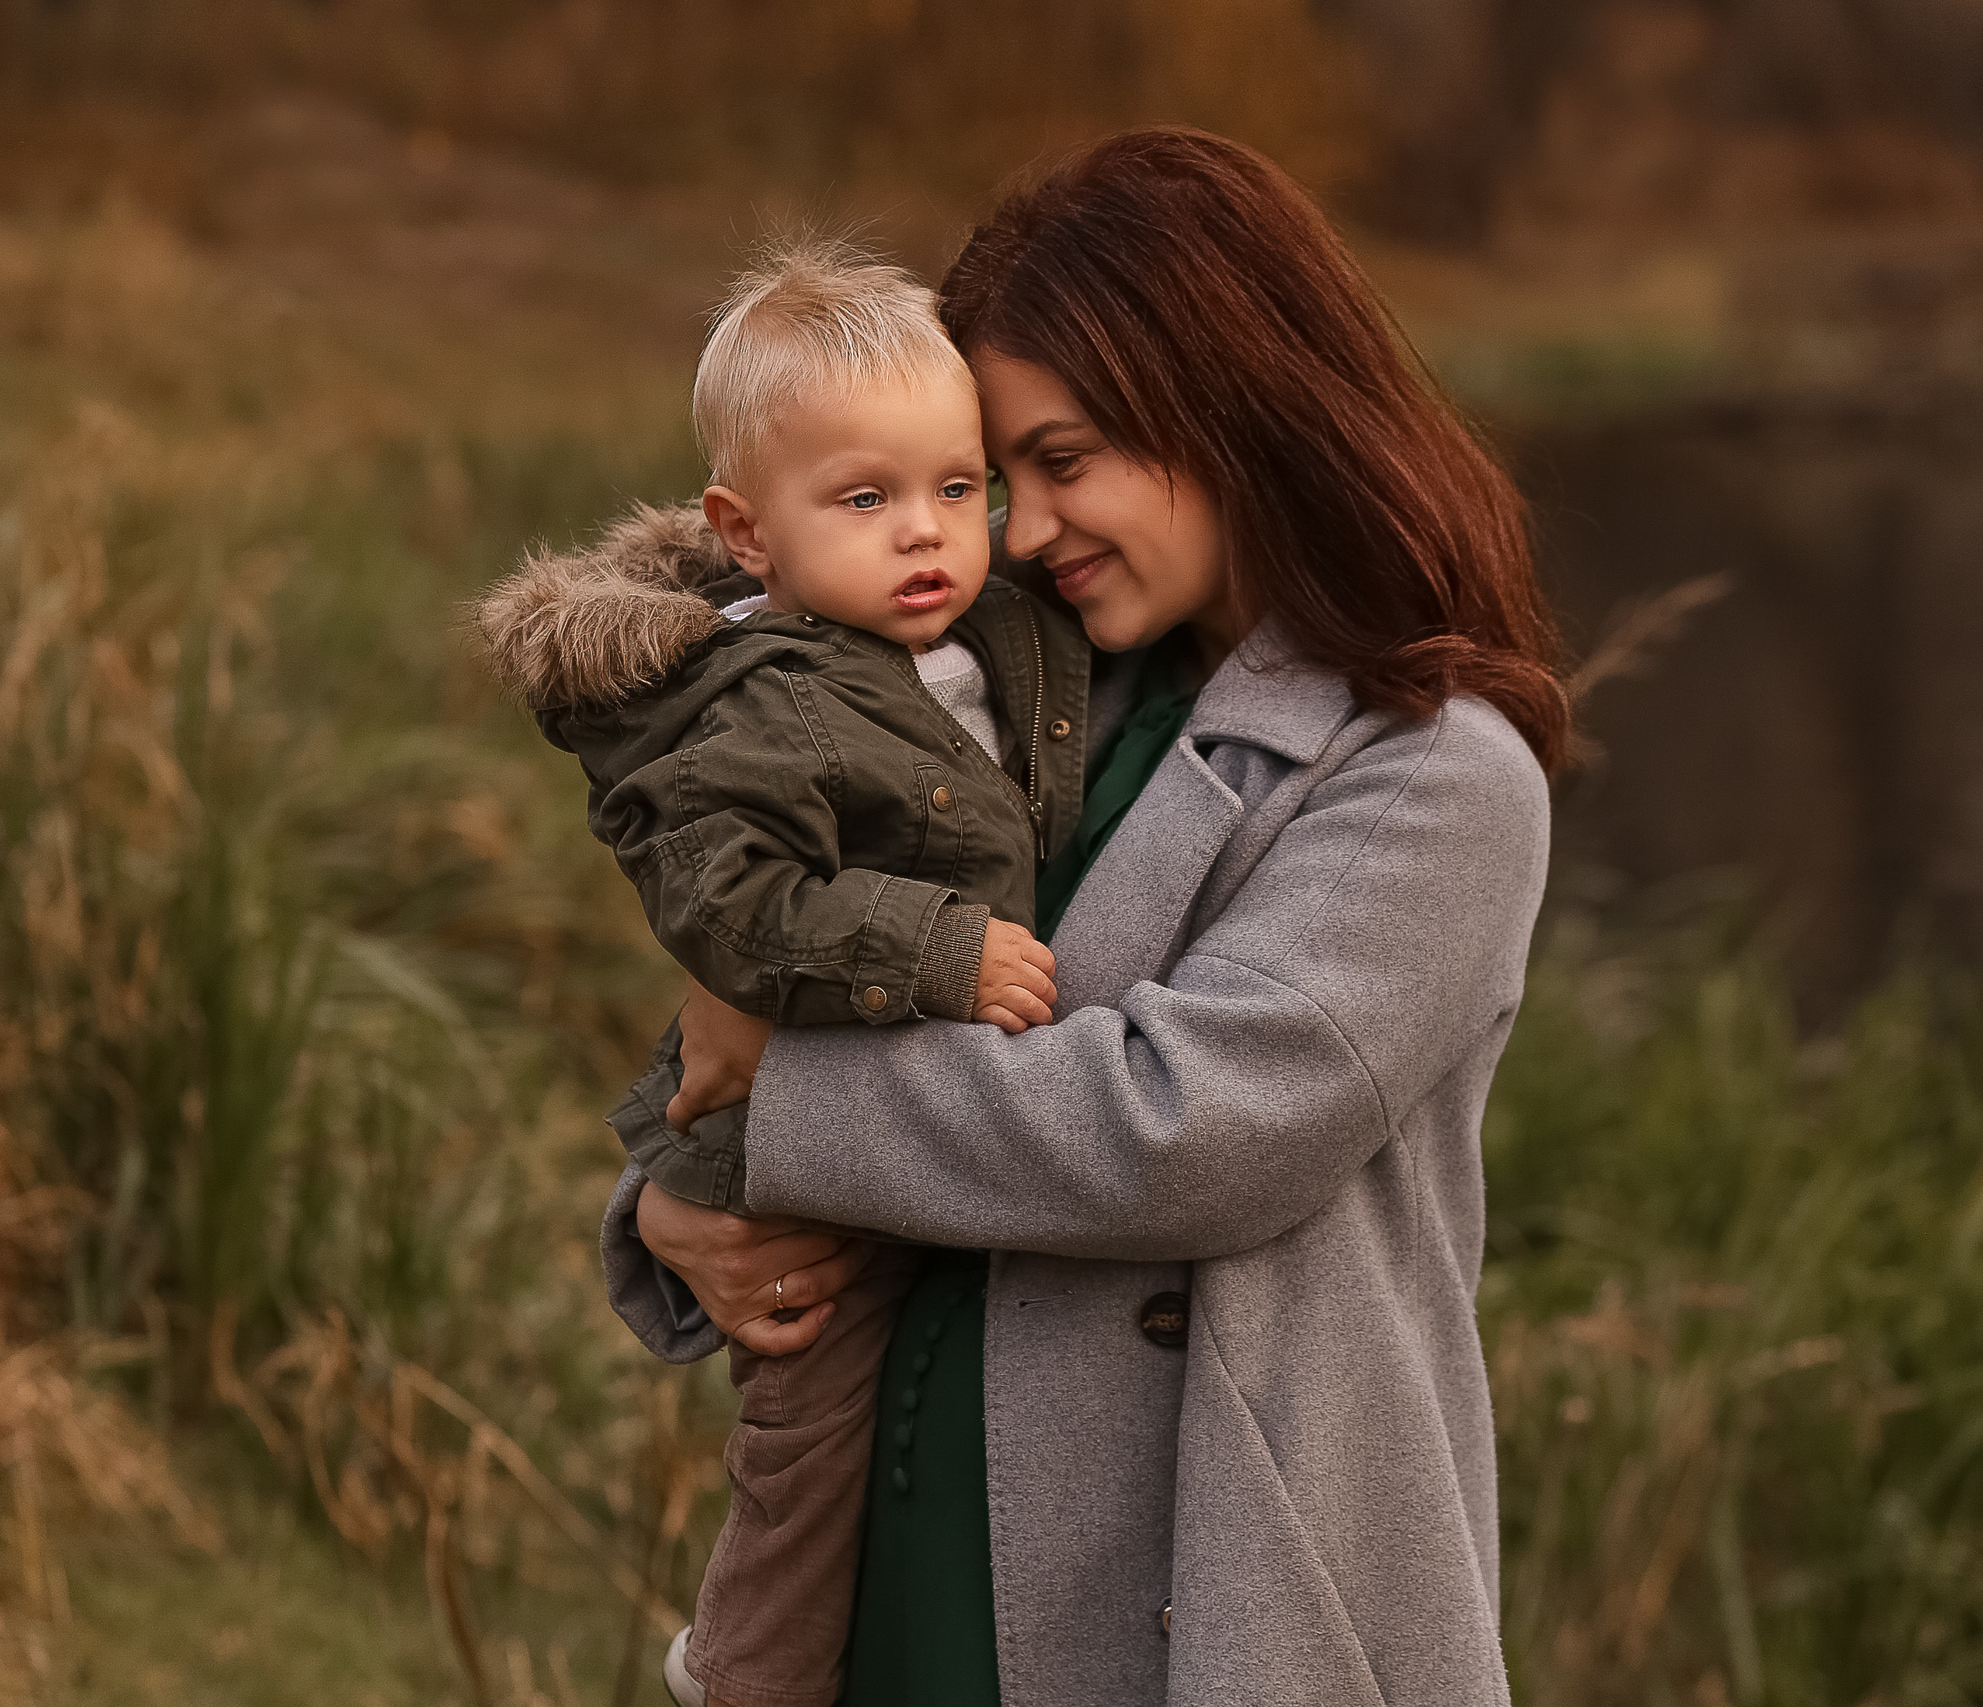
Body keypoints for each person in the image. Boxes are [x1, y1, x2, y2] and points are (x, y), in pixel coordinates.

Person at [599, 128, 1573, 1706]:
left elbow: (1180, 1129)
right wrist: (676, 1192)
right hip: (906, 1565)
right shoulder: (1036, 698)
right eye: (1004, 478)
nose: (1025, 530)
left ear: (1232, 404)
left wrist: (777, 1106)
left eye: (1067, 461)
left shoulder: (1438, 771)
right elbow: (840, 963)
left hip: (1210, 1601)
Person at [473, 238, 1087, 1707]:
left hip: (913, 1124)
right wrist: (932, 950)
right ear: (745, 535)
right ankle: (745, 1680)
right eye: (864, 500)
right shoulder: (768, 706)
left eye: (959, 488)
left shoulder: (987, 634)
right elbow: (731, 905)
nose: (926, 533)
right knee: (806, 1451)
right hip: (794, 1156)